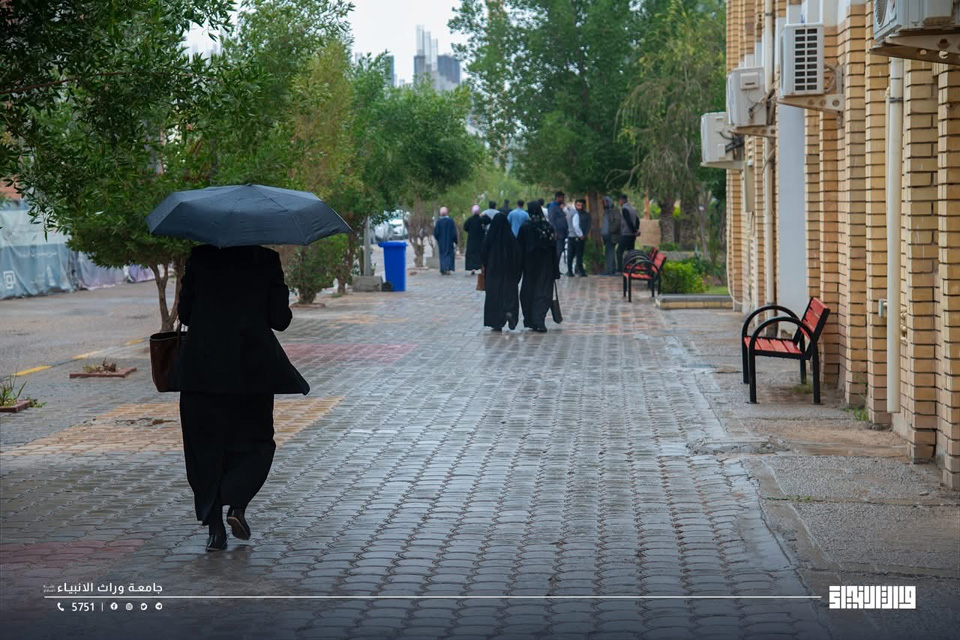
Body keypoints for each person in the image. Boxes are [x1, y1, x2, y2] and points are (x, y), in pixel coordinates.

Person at [172, 244, 309, 552]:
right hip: (251, 373)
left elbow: (185, 314)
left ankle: (215, 530)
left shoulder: (200, 257)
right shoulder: (266, 259)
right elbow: (280, 319)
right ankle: (237, 504)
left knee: (204, 448)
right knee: (256, 443)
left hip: (201, 372)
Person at [517, 200, 560, 333]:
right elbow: (554, 249)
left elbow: (519, 248)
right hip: (545, 266)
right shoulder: (548, 227)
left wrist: (518, 268)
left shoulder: (525, 227)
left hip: (529, 266)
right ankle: (539, 321)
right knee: (543, 292)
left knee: (528, 293)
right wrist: (555, 269)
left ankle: (531, 320)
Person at [480, 210, 522, 332]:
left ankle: (496, 322)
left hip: (493, 272)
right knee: (509, 294)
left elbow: (483, 254)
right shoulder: (511, 239)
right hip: (509, 273)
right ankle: (509, 312)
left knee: (494, 296)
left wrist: (485, 265)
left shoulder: (489, 238)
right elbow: (518, 256)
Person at [567, 198, 591, 277]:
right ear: (575, 205)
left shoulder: (570, 212)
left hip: (571, 236)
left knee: (571, 254)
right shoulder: (575, 213)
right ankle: (580, 271)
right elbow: (576, 225)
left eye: (581, 205)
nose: (580, 207)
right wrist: (581, 235)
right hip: (577, 237)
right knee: (578, 254)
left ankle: (570, 271)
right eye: (578, 205)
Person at [463, 205, 489, 275]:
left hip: (471, 240)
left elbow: (465, 227)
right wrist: (484, 215)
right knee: (480, 254)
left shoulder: (470, 220)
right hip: (480, 240)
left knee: (472, 255)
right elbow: (489, 220)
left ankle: (472, 269)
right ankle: (481, 267)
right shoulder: (481, 219)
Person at [547, 191, 568, 273]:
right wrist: (554, 231)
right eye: (562, 198)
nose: (563, 199)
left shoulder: (559, 206)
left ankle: (556, 269)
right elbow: (551, 219)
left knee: (560, 250)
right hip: (558, 232)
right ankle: (554, 269)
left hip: (562, 232)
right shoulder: (553, 206)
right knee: (558, 251)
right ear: (557, 197)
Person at [617, 194, 639, 274]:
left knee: (619, 251)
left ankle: (620, 270)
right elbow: (637, 221)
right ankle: (633, 269)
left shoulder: (624, 209)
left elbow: (628, 221)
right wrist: (636, 230)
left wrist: (634, 231)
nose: (619, 202)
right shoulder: (632, 209)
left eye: (619, 201)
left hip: (626, 234)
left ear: (621, 201)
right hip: (632, 236)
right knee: (631, 252)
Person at [433, 206, 458, 274]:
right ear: (447, 213)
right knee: (449, 254)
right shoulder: (451, 221)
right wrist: (455, 241)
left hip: (442, 242)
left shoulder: (438, 222)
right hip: (449, 241)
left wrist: (438, 240)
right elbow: (454, 232)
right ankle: (448, 268)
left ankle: (444, 268)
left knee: (443, 255)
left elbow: (436, 233)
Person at [600, 196, 622, 274]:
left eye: (606, 202)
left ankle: (609, 270)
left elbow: (617, 222)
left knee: (609, 253)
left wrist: (610, 231)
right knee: (609, 252)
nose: (604, 203)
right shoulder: (605, 211)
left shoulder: (615, 211)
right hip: (606, 236)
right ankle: (612, 269)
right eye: (603, 202)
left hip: (611, 235)